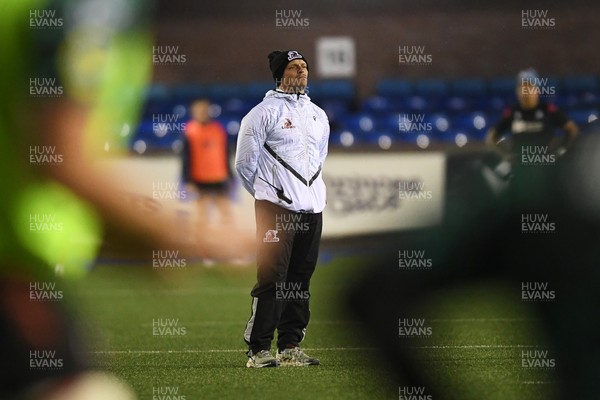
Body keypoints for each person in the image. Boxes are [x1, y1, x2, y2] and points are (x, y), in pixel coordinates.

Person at [235, 50, 330, 368]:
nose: (302, 72)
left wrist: (307, 196)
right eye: (293, 67)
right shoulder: (262, 114)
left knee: (300, 279)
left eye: (304, 66)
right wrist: (269, 196)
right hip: (275, 209)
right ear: (279, 75)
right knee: (272, 278)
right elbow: (244, 164)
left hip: (312, 210)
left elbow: (319, 159)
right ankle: (258, 350)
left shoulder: (319, 114)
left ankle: (290, 346)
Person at [486, 68, 578, 162]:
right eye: (522, 87)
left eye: (529, 86)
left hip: (545, 165)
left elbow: (572, 129)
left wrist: (560, 151)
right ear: (517, 91)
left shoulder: (548, 110)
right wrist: (504, 156)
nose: (526, 91)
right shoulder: (512, 113)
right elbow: (491, 137)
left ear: (537, 90)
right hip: (521, 166)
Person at [182, 98, 233, 231]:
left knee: (226, 212)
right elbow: (185, 157)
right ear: (193, 112)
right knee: (202, 215)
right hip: (199, 178)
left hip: (219, 177)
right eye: (198, 110)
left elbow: (225, 154)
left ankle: (228, 239)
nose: (202, 113)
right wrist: (188, 180)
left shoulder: (218, 129)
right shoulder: (190, 131)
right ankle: (201, 244)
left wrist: (229, 174)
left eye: (204, 110)